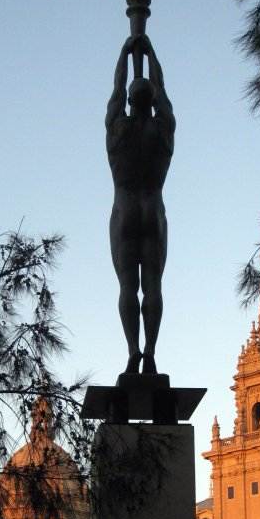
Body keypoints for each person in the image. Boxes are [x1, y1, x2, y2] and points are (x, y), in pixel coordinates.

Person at [106, 33, 175, 375]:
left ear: (131, 101)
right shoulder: (162, 131)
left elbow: (117, 89)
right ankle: (150, 351)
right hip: (153, 210)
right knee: (154, 285)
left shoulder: (117, 129)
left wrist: (126, 51)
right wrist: (150, 51)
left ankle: (132, 350)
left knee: (127, 287)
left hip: (125, 210)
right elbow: (163, 96)